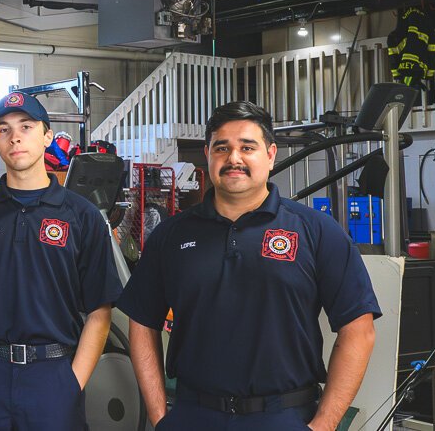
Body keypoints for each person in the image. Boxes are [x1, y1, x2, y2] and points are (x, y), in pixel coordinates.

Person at [118, 101, 380, 431]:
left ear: (270, 155)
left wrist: (324, 425)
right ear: (208, 154)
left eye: (247, 147)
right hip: (193, 414)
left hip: (283, 415)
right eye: (222, 148)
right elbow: (142, 323)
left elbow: (359, 330)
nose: (234, 159)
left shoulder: (316, 231)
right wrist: (159, 417)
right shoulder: (171, 235)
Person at [0, 92, 122, 430]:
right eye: (4, 129)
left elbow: (100, 311)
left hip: (53, 374)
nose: (15, 137)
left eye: (26, 126)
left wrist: (72, 381)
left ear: (47, 135)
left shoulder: (82, 216)